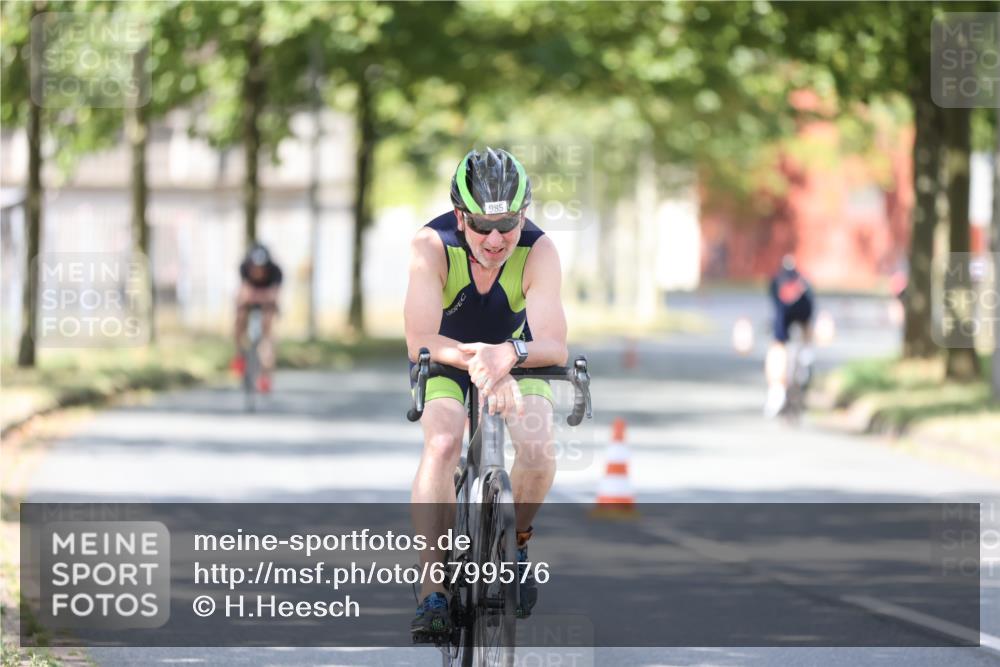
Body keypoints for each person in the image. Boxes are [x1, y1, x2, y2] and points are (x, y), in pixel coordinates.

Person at [405, 147, 567, 638]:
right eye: (481, 225)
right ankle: (433, 587)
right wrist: (482, 362)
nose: (496, 239)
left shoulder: (540, 251)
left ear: (524, 215)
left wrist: (507, 357)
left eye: (508, 224)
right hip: (449, 357)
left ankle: (514, 543)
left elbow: (553, 345)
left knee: (537, 451)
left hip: (518, 358)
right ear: (460, 216)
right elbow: (420, 341)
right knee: (442, 443)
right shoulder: (430, 246)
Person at [764, 254, 814, 418]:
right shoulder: (802, 280)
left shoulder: (776, 280)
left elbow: (776, 306)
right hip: (802, 313)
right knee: (801, 338)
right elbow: (809, 307)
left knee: (777, 345)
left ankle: (776, 391)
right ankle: (806, 356)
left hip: (785, 314)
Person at [231, 243, 282, 393]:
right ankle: (239, 354)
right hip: (252, 301)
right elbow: (243, 293)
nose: (257, 272)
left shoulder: (276, 272)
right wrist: (249, 297)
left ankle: (265, 374)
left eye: (261, 268)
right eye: (255, 268)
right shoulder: (243, 268)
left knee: (268, 328)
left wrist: (255, 296)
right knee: (239, 317)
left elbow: (274, 295)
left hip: (266, 304)